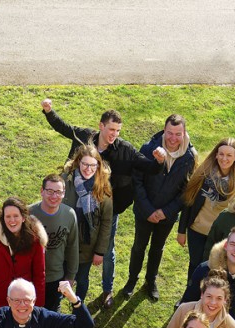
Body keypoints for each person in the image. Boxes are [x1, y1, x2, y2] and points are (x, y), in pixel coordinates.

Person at [41, 100, 160, 307]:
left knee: (107, 250)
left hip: (107, 210)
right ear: (101, 126)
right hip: (76, 209)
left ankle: (107, 290)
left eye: (118, 130)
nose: (114, 134)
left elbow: (145, 165)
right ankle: (63, 290)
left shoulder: (124, 149)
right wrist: (49, 112)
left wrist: (159, 162)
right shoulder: (83, 138)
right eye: (112, 129)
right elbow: (63, 127)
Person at [127, 115, 197, 301]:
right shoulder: (148, 149)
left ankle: (151, 281)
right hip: (144, 212)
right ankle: (131, 281)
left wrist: (165, 212)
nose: (173, 138)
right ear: (164, 131)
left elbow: (186, 191)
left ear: (184, 134)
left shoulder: (190, 157)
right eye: (169, 133)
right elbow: (137, 181)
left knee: (157, 248)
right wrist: (148, 210)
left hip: (167, 215)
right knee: (138, 247)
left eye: (178, 134)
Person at [178, 138, 235, 281]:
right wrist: (181, 231)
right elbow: (189, 201)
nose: (224, 159)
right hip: (197, 230)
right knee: (195, 265)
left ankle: (207, 299)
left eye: (229, 155)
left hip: (221, 235)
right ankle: (189, 297)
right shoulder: (203, 175)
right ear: (216, 155)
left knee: (214, 269)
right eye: (221, 154)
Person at [29, 174, 79, 328]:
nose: (53, 196)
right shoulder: (29, 213)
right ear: (42, 191)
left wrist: (71, 275)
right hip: (32, 276)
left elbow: (73, 246)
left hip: (57, 276)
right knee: (29, 310)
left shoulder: (69, 214)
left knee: (51, 313)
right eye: (49, 191)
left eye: (58, 192)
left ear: (64, 194)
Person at [0, 196, 47, 314]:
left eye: (16, 216)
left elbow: (39, 275)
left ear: (23, 217)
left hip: (23, 300)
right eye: (7, 216)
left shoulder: (35, 238)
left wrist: (38, 305)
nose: (12, 220)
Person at [61, 146, 113, 303]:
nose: (88, 169)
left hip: (87, 246)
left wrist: (100, 251)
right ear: (78, 162)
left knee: (82, 279)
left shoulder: (103, 188)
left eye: (92, 165)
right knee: (61, 277)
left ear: (98, 166)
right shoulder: (65, 180)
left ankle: (78, 305)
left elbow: (106, 222)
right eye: (84, 164)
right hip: (64, 242)